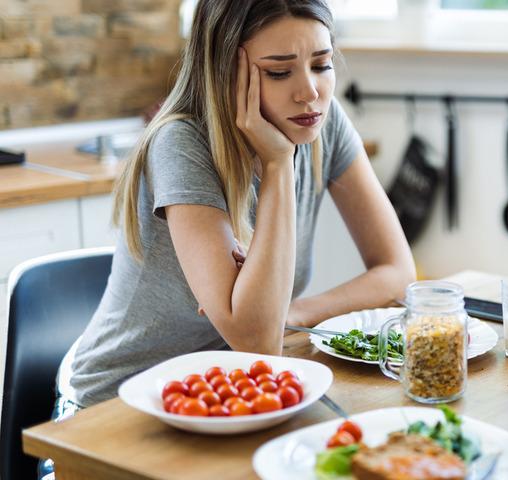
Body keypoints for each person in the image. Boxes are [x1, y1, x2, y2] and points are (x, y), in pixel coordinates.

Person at [66, 0, 416, 411]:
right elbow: (257, 341)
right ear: (226, 73)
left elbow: (397, 273)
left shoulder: (324, 121)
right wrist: (279, 163)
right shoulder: (181, 144)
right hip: (115, 406)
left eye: (321, 65)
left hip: (229, 393)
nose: (310, 92)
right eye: (279, 71)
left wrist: (293, 312)